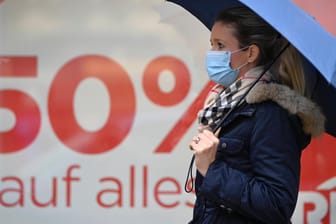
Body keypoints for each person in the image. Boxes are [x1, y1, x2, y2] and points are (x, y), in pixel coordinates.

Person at [188, 6, 325, 224]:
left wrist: (212, 169)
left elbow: (278, 204)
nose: (212, 53)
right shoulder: (226, 104)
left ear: (251, 53)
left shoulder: (272, 113)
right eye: (211, 44)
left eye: (220, 45)